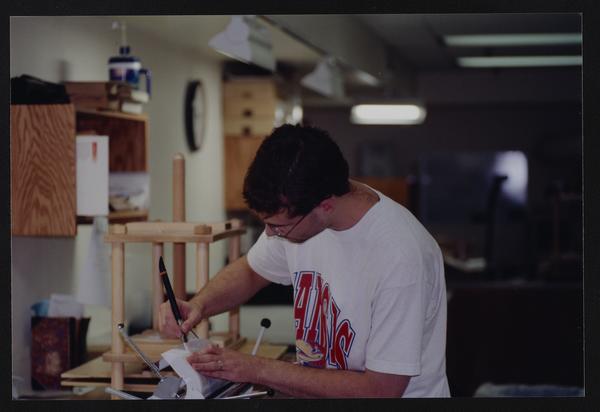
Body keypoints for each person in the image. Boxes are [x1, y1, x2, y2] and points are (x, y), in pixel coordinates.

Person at [159, 124, 450, 398]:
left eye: (277, 226)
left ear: (326, 205)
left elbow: (381, 390)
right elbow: (251, 271)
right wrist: (201, 304)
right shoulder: (300, 219)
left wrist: (255, 368)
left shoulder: (400, 255)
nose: (270, 234)